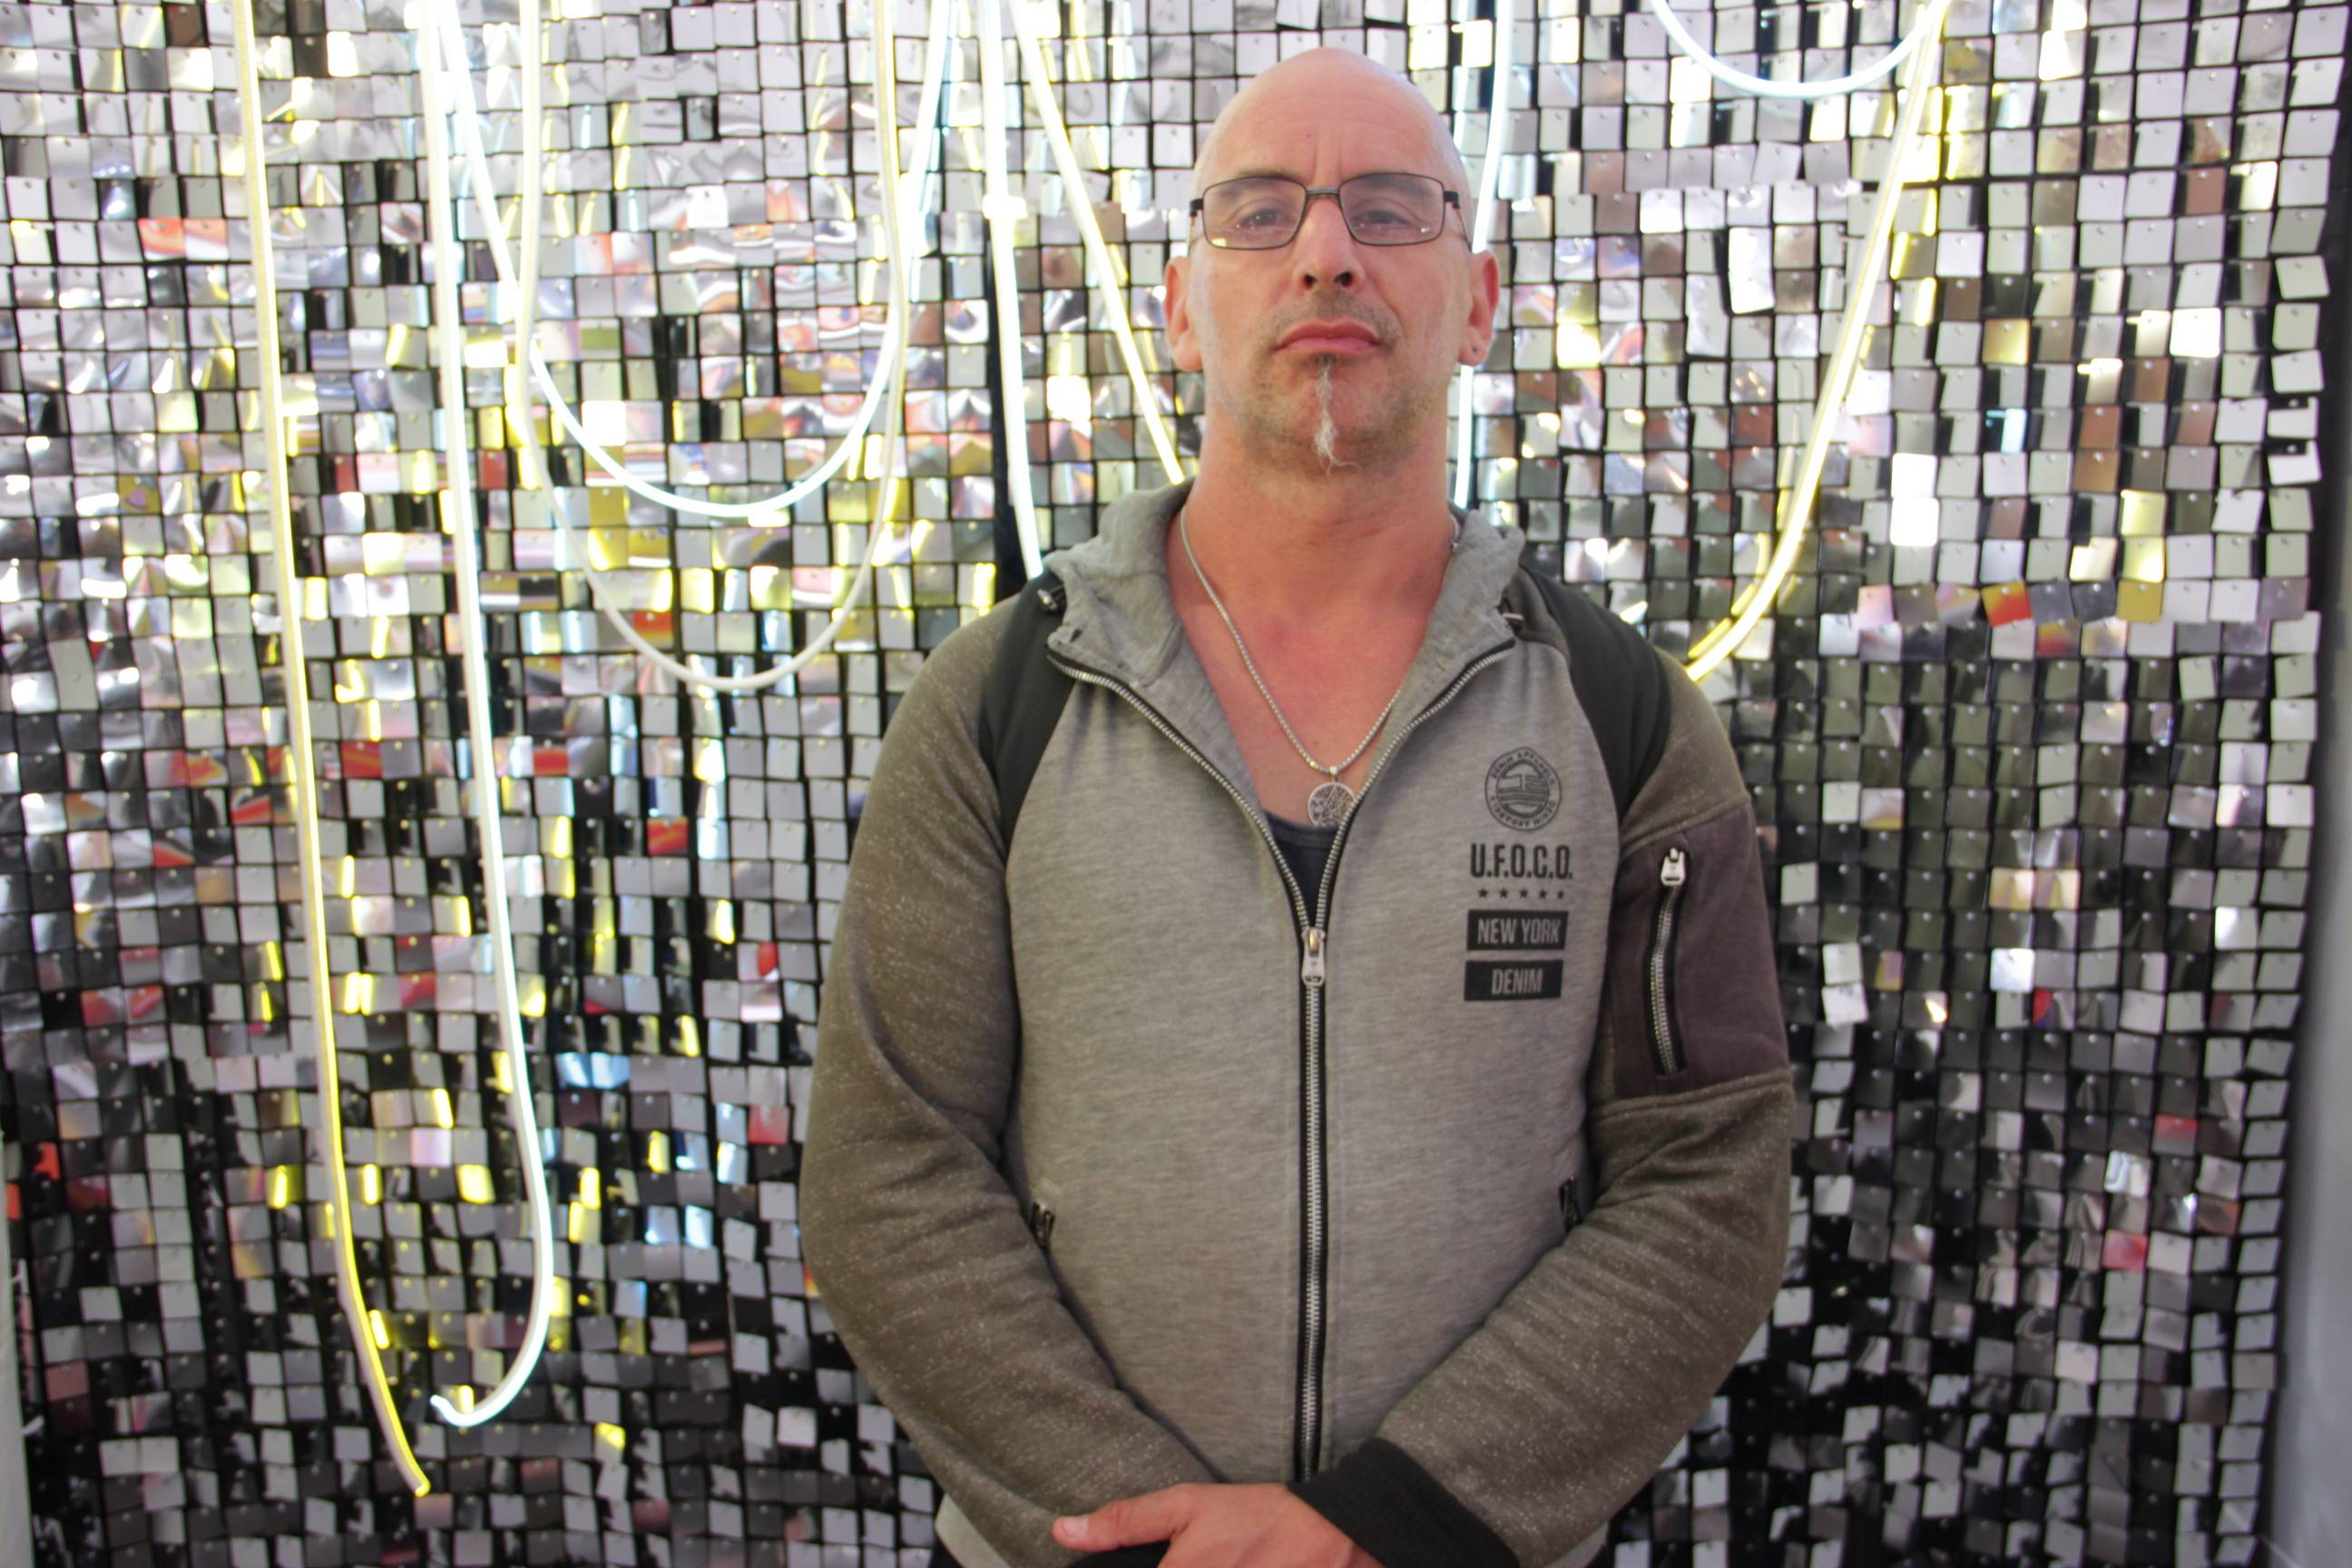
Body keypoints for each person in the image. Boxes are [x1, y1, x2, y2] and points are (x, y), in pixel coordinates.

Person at [799, 46, 1793, 1568]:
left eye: (1390, 208)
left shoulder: (1627, 722)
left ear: (1478, 299)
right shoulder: (995, 707)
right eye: (1259, 213)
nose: (1326, 251)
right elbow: (888, 1171)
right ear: (1181, 304)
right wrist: (1143, 1535)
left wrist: (1397, 1522)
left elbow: (1708, 1172)